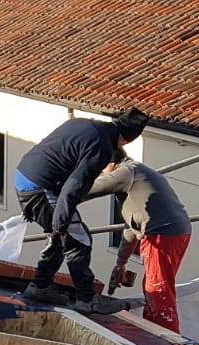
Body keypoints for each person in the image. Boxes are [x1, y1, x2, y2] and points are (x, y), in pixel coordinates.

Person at [13, 108, 149, 313]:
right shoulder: (103, 147)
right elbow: (75, 185)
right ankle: (86, 300)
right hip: (38, 187)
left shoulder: (83, 123)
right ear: (127, 140)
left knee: (64, 235)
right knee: (79, 239)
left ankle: (40, 286)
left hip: (27, 176)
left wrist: (60, 222)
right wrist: (61, 220)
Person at [89, 157, 193, 333]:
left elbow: (89, 190)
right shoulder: (135, 174)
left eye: (101, 167)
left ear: (112, 161)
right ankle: (154, 330)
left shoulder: (126, 172)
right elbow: (131, 229)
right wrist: (121, 263)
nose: (101, 173)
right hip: (173, 231)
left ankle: (169, 340)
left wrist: (60, 193)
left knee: (158, 290)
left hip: (162, 233)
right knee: (154, 286)